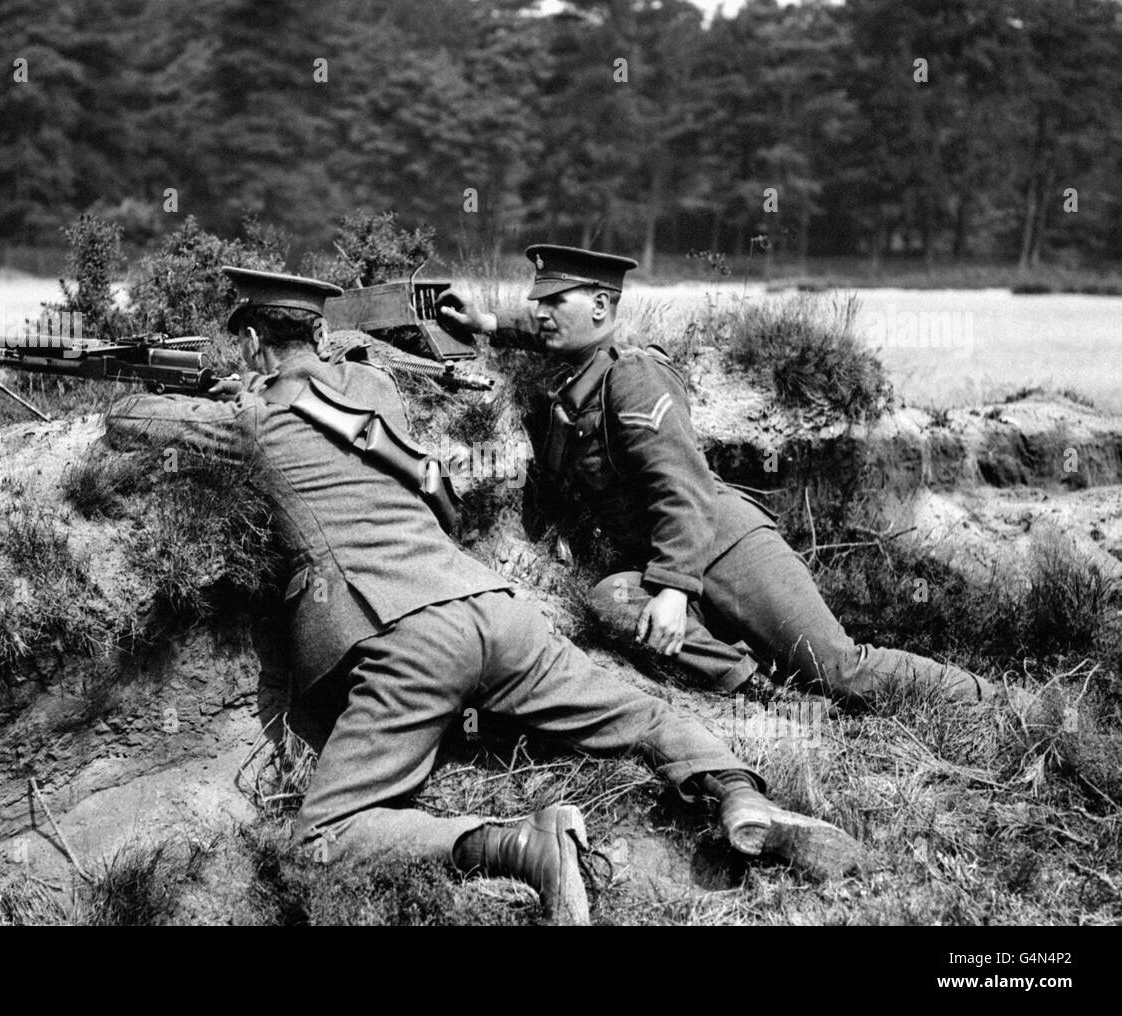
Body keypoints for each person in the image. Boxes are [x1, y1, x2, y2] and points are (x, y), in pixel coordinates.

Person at [103, 267, 863, 926]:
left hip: (399, 637)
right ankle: (738, 795)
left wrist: (217, 391)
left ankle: (525, 846)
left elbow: (128, 419)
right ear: (317, 333)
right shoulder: (372, 390)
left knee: (322, 837)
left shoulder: (253, 422)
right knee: (636, 715)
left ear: (249, 344)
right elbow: (357, 400)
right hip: (495, 610)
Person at [440, 245, 1000, 708]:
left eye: (554, 301)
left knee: (838, 670)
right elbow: (542, 333)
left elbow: (678, 489)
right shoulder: (584, 363)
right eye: (537, 303)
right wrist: (487, 324)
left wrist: (672, 591)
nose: (539, 313)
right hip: (670, 558)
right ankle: (764, 690)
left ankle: (995, 700)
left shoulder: (632, 379)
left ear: (601, 306)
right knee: (611, 600)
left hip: (727, 545)